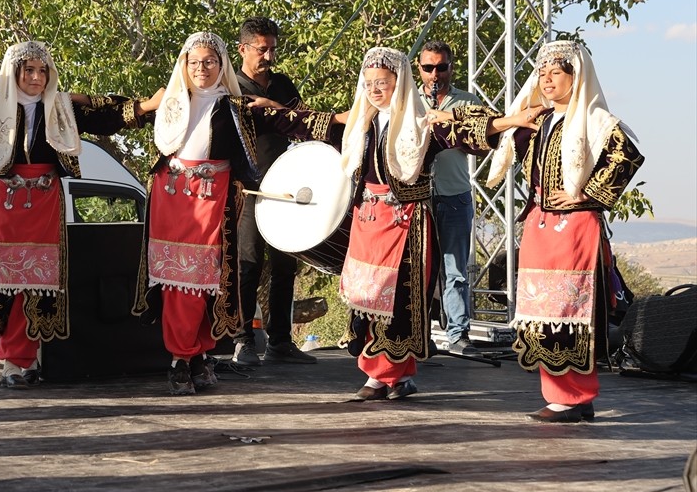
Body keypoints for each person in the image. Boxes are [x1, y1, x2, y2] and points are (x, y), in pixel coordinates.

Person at [258, 46, 534, 401]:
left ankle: (384, 375)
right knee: (367, 299)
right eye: (369, 83)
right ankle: (392, 377)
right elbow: (310, 122)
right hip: (368, 222)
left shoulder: (421, 123)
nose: (375, 90)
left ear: (399, 82)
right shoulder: (359, 123)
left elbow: (470, 129)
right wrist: (272, 110)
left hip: (406, 225)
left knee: (397, 301)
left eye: (383, 82)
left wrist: (511, 120)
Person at [0, 41, 152, 388]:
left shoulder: (61, 108)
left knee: (39, 282)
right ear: (13, 72)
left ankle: (26, 358)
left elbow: (105, 114)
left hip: (45, 201)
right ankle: (11, 360)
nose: (36, 77)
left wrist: (148, 105)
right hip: (4, 202)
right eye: (28, 70)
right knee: (9, 281)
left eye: (42, 71)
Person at [132, 31, 319, 396]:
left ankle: (197, 354)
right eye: (194, 62)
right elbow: (110, 113)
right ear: (185, 65)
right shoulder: (170, 102)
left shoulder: (238, 107)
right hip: (171, 198)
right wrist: (58, 99)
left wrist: (351, 117)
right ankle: (182, 359)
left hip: (214, 200)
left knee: (208, 281)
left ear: (222, 65)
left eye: (209, 62)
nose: (201, 69)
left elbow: (296, 122)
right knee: (176, 281)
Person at [482, 40, 643, 423]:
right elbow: (501, 140)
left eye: (556, 72)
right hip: (540, 226)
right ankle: (565, 395)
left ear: (577, 77)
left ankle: (574, 396)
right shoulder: (538, 120)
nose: (547, 79)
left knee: (570, 309)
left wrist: (586, 194)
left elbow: (627, 155)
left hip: (575, 228)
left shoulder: (594, 120)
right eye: (543, 73)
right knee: (541, 309)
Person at [230, 16, 315, 367]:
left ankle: (280, 340)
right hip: (249, 190)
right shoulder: (230, 86)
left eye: (272, 49)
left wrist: (279, 109)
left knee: (284, 265)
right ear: (243, 49)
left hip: (284, 187)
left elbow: (305, 122)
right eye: (262, 49)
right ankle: (242, 340)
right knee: (248, 265)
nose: (268, 56)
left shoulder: (282, 84)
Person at [416, 41, 483, 355]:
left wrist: (449, 120)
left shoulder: (467, 101)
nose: (435, 74)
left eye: (441, 67)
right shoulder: (407, 101)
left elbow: (483, 142)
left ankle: (458, 335)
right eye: (428, 68)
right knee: (418, 270)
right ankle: (418, 334)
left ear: (451, 67)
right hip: (416, 197)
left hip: (454, 194)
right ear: (419, 69)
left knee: (455, 270)